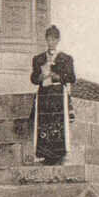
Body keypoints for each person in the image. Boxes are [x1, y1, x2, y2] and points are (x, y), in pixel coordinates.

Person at [31, 24, 76, 164]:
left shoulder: (66, 58)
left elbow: (71, 77)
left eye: (54, 39)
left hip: (57, 95)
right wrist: (40, 77)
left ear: (58, 40)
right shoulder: (38, 58)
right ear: (46, 40)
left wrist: (56, 76)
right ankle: (45, 155)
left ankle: (59, 154)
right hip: (44, 94)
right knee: (44, 124)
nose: (51, 42)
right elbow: (33, 78)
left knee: (57, 124)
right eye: (49, 39)